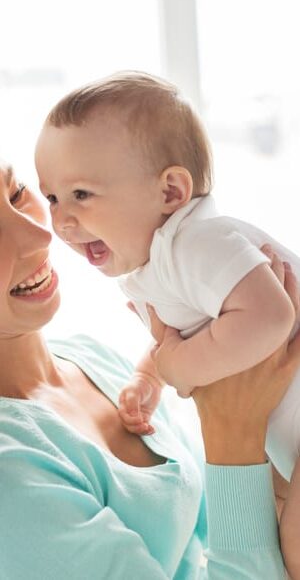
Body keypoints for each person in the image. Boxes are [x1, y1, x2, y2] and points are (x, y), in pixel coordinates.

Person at [34, 71, 300, 578]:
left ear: (171, 191)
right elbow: (188, 334)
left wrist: (177, 366)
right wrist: (151, 375)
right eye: (51, 198)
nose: (61, 221)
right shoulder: (155, 263)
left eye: (82, 194)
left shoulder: (199, 244)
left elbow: (271, 316)